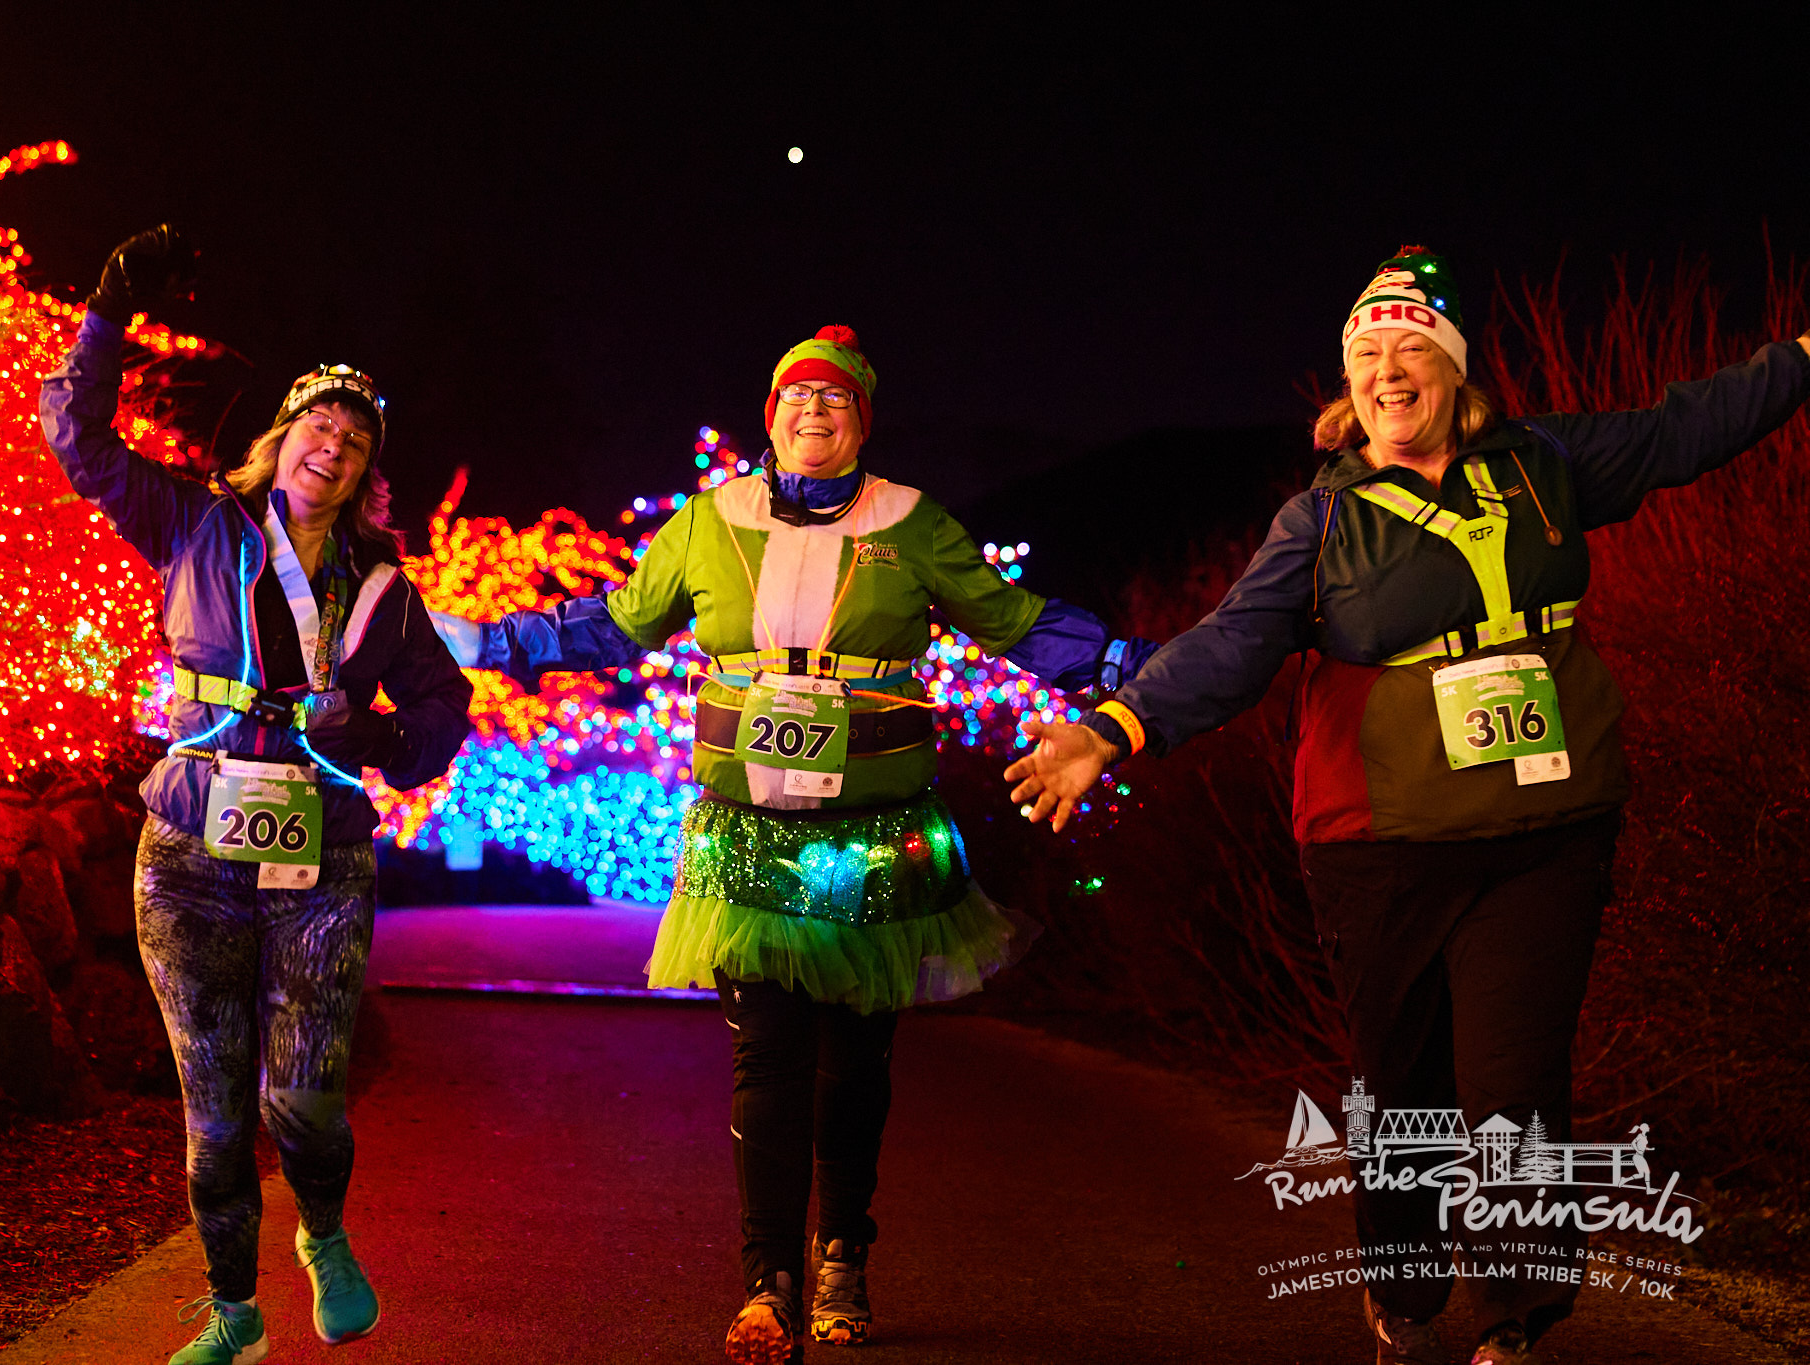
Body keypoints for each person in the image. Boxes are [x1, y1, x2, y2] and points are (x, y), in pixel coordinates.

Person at [1005, 245, 1810, 1365]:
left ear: (1451, 370)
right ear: (1349, 387)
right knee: (1403, 1085)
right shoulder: (1319, 522)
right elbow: (1234, 645)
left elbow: (1687, 424)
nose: (1388, 370)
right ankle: (1405, 1298)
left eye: (1408, 349)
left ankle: (1515, 1315)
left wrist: (1799, 361)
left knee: (1512, 1081)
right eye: (1366, 354)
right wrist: (1109, 727)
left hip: (1544, 829)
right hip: (1378, 843)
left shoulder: (1542, 464)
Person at [438, 325, 1155, 1363]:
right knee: (764, 1052)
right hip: (747, 833)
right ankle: (765, 1281)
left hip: (875, 833)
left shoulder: (913, 525)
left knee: (854, 1063)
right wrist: (493, 643)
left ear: (863, 420)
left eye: (833, 400)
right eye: (792, 400)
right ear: (766, 418)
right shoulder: (707, 522)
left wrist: (1137, 666)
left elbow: (1010, 620)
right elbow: (617, 625)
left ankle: (841, 1256)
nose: (810, 412)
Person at [40, 226, 475, 1365]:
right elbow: (79, 444)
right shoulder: (193, 525)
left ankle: (324, 1233)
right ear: (281, 442)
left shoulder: (383, 589)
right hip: (188, 847)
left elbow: (443, 714)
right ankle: (234, 1313)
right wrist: (105, 315)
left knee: (303, 1103)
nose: (328, 447)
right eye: (314, 427)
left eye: (352, 438)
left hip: (320, 861)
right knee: (216, 1113)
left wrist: (375, 731)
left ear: (367, 471)